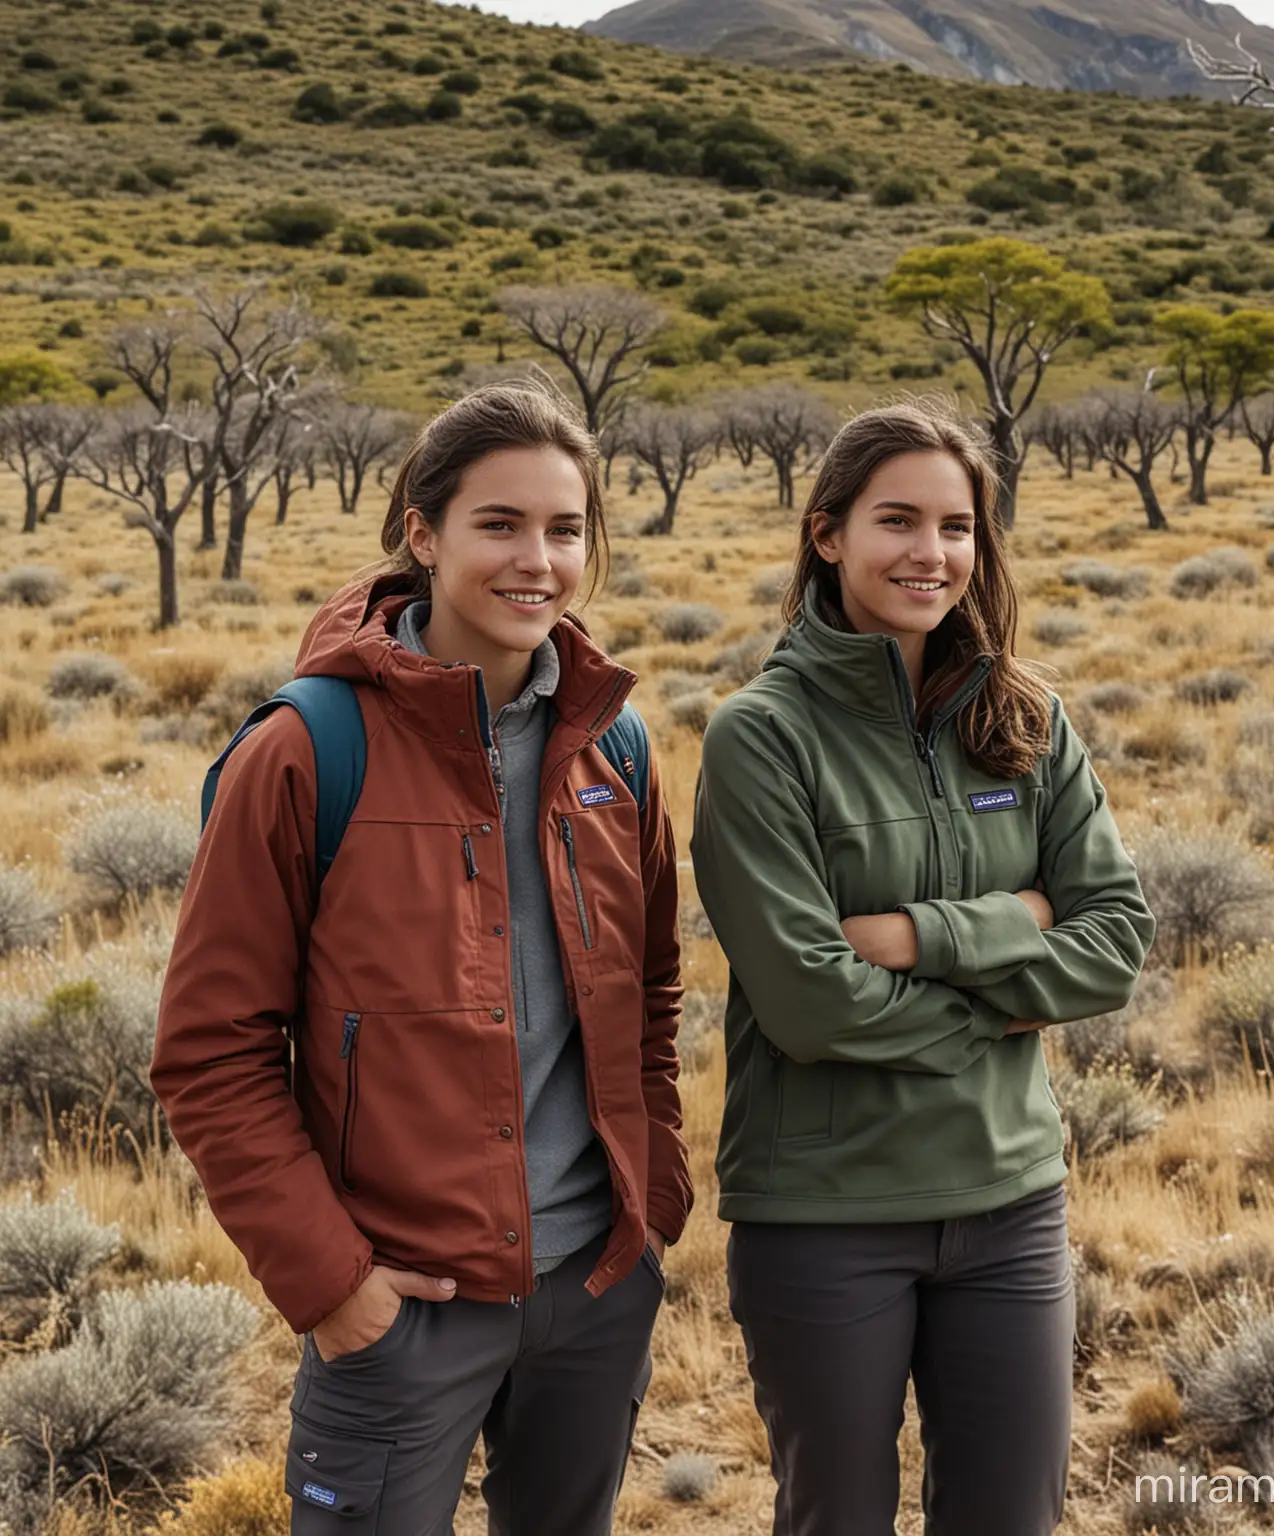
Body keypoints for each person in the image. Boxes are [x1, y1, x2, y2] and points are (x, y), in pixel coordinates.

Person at [152, 381, 690, 1535]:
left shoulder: (616, 743)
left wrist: (652, 1205)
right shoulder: (307, 746)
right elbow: (210, 1050)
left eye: (564, 528)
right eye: (498, 524)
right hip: (404, 1299)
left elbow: (646, 998)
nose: (535, 560)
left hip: (593, 1283)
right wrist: (332, 1283)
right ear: (422, 533)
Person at [691, 398, 1155, 1536]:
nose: (930, 553)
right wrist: (1012, 945)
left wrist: (919, 938)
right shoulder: (763, 736)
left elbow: (1112, 945)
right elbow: (806, 1002)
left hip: (1011, 1206)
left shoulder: (1027, 717)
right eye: (897, 520)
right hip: (825, 1219)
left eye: (957, 527)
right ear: (827, 534)